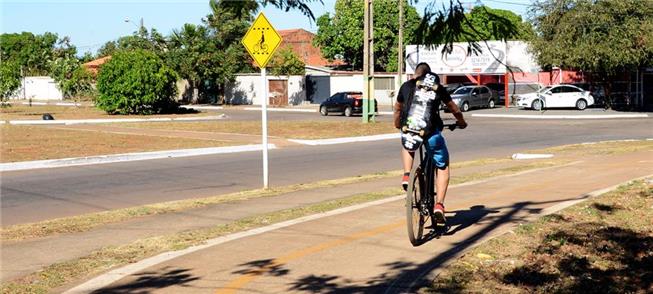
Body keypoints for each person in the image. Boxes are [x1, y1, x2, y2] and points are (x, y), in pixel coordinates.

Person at [394, 62, 467, 223]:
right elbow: (454, 109)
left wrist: (398, 124)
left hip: (410, 129)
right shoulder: (437, 87)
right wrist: (461, 122)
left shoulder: (406, 86)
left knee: (408, 144)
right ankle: (439, 205)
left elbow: (398, 108)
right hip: (431, 131)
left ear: (415, 74)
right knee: (443, 166)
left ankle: (407, 175)